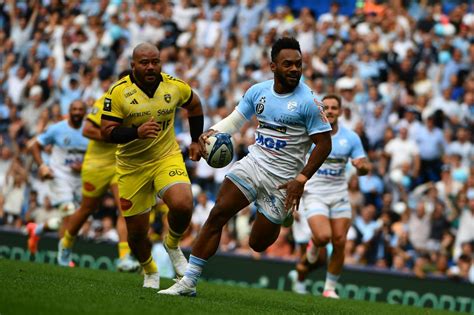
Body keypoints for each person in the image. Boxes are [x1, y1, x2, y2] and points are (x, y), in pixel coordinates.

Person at [159, 37, 332, 296]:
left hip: (283, 180)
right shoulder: (258, 91)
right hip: (254, 164)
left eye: (299, 64)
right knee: (218, 213)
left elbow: (324, 145)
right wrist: (211, 133)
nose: (295, 69)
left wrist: (302, 178)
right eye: (288, 64)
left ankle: (282, 217)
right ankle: (189, 281)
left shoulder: (308, 102)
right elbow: (237, 119)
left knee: (257, 244)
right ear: (273, 66)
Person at [100, 42, 204, 289]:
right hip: (132, 166)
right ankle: (149, 269)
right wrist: (136, 132)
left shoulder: (174, 86)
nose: (150, 67)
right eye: (144, 63)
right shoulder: (117, 92)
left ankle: (172, 243)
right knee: (136, 235)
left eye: (155, 62)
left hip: (165, 157)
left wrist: (195, 140)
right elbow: (107, 132)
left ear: (160, 63)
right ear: (132, 65)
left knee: (183, 203)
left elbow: (195, 104)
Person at [56, 70, 140, 272]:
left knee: (125, 209)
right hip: (96, 165)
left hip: (120, 165)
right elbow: (87, 130)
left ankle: (123, 257)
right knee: (86, 209)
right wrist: (115, 136)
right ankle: (65, 245)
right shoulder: (106, 101)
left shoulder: (138, 106)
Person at [292, 94, 371, 298]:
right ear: (321, 111)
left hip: (339, 195)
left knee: (340, 241)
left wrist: (361, 167)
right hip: (315, 192)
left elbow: (365, 166)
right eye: (325, 107)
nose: (330, 111)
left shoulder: (351, 138)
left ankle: (329, 289)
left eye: (334, 108)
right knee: (323, 236)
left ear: (340, 111)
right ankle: (314, 243)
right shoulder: (310, 134)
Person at [27, 100, 89, 252]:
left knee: (72, 219)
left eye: (80, 109)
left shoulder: (89, 131)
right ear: (69, 110)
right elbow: (35, 145)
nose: (77, 112)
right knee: (69, 212)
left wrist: (84, 166)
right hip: (59, 176)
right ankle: (64, 256)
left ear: (85, 112)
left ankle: (37, 230)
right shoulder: (57, 129)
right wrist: (42, 166)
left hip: (79, 179)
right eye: (74, 109)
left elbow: (95, 155)